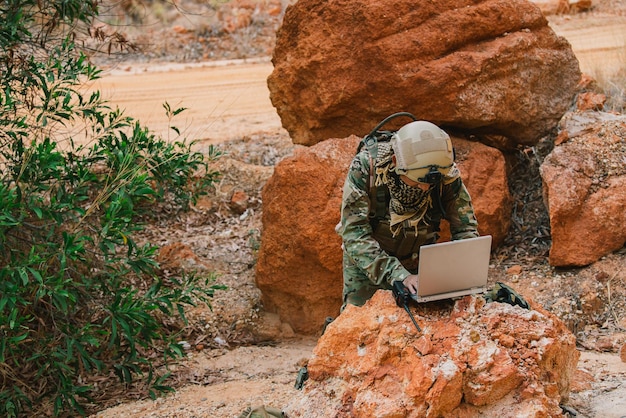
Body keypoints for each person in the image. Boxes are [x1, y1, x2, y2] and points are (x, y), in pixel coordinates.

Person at [337, 117, 479, 310]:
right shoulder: (366, 168)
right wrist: (398, 275)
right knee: (356, 328)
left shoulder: (444, 172)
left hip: (420, 264)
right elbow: (354, 235)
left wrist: (463, 273)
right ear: (396, 162)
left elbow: (465, 227)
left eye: (430, 183)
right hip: (369, 263)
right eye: (417, 180)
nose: (424, 187)